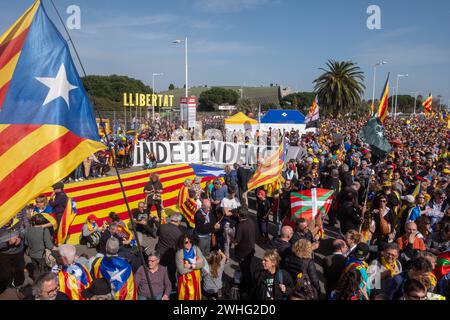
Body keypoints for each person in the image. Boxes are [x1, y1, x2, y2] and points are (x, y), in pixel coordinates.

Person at [24, 214, 55, 279]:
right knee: (44, 272)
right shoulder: (44, 231)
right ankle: (43, 285)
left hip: (32, 255)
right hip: (41, 255)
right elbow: (49, 246)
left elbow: (26, 243)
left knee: (36, 269)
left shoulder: (28, 230)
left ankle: (36, 281)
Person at [156, 213, 183, 287]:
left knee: (160, 270)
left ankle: (160, 284)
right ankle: (172, 286)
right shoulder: (179, 233)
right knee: (171, 272)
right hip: (171, 255)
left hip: (160, 252)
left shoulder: (162, 227)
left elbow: (157, 234)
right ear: (178, 221)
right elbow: (180, 246)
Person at [233, 208, 256, 297]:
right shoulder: (250, 220)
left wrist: (229, 236)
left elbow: (236, 241)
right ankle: (247, 285)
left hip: (243, 252)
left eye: (237, 213)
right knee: (247, 269)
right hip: (250, 250)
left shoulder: (240, 225)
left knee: (245, 271)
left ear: (239, 215)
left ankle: (248, 289)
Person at [175, 234, 205, 300]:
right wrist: (196, 264)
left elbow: (203, 263)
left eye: (190, 241)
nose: (189, 244)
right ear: (182, 243)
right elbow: (182, 271)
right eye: (186, 242)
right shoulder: (179, 253)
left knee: (196, 297)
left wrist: (191, 265)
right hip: (184, 281)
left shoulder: (196, 249)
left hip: (196, 279)